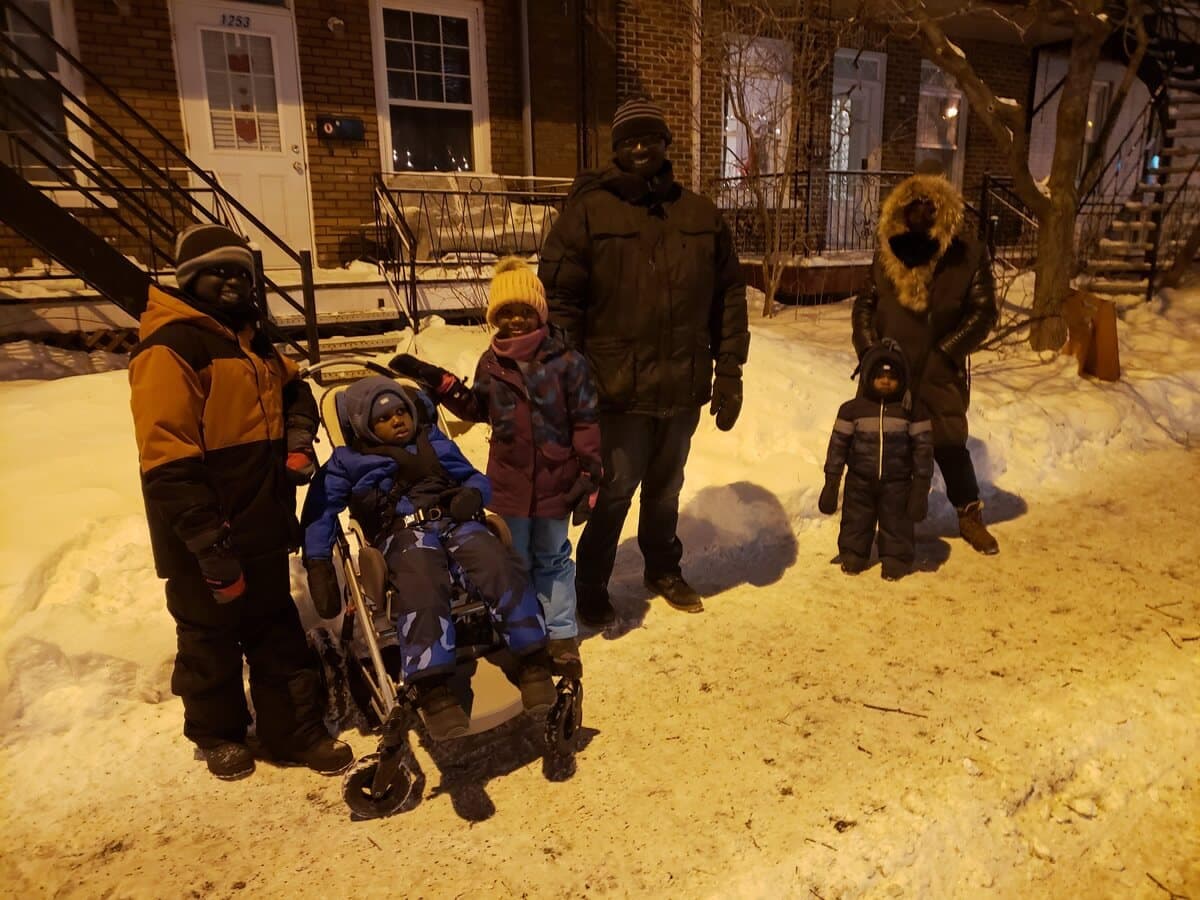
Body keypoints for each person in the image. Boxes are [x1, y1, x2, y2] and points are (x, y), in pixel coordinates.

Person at [128, 223, 353, 781]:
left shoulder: (252, 341)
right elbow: (167, 457)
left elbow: (295, 388)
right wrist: (205, 541)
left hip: (259, 521)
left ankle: (293, 734)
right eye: (218, 271)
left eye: (241, 272)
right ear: (188, 278)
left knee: (275, 629)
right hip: (201, 533)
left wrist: (298, 435)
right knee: (209, 640)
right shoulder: (170, 348)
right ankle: (218, 734)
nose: (232, 281)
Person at [538, 96, 750, 624]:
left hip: (682, 381)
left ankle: (663, 567)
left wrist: (729, 369)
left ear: (665, 144)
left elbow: (729, 295)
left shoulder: (700, 214)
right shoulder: (588, 212)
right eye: (629, 141)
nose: (640, 149)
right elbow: (559, 300)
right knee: (612, 491)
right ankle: (590, 582)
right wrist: (570, 376)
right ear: (615, 150)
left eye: (649, 139)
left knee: (666, 487)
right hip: (614, 386)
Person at [300, 376, 557, 742]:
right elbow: (320, 511)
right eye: (384, 418)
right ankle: (434, 690)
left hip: (455, 522)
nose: (398, 420)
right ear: (362, 424)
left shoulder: (433, 442)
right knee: (420, 581)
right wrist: (318, 562)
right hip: (401, 536)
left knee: (499, 564)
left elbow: (475, 478)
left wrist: (471, 494)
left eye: (402, 411)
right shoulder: (347, 462)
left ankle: (533, 662)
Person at [390, 258, 601, 679]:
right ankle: (525, 632)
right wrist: (437, 380)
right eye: (506, 312)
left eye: (524, 310)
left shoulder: (567, 362)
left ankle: (560, 635)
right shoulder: (491, 362)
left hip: (558, 480)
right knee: (514, 558)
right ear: (495, 318)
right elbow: (476, 409)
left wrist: (589, 475)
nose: (516, 319)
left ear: (540, 312)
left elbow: (586, 420)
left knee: (555, 557)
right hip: (508, 482)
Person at [852, 162, 1001, 555]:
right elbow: (865, 304)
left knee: (950, 445)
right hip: (891, 368)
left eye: (929, 205)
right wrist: (870, 353)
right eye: (913, 204)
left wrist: (947, 352)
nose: (920, 212)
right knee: (888, 449)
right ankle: (886, 523)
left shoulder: (967, 255)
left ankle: (969, 516)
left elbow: (983, 311)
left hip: (938, 369)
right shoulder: (888, 252)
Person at [819, 341, 935, 580]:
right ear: (868, 376)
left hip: (898, 482)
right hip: (859, 480)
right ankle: (853, 554)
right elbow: (838, 446)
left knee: (897, 522)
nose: (885, 381)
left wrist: (920, 487)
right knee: (855, 519)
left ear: (902, 379)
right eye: (880, 375)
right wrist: (832, 482)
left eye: (892, 376)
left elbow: (923, 449)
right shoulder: (852, 410)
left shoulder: (912, 410)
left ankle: (895, 559)